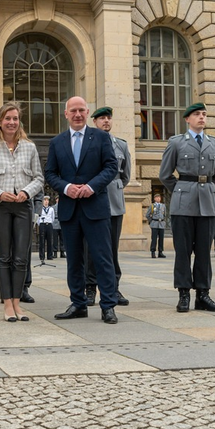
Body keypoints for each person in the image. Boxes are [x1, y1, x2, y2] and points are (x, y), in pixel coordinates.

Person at [45, 96, 118, 324]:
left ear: (87, 113)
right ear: (65, 114)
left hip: (95, 207)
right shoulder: (57, 142)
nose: (77, 115)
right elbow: (50, 173)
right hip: (69, 210)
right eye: (72, 111)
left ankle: (108, 306)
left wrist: (91, 187)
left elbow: (111, 167)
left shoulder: (101, 137)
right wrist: (66, 187)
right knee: (74, 260)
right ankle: (78, 304)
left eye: (81, 110)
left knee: (102, 258)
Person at [0, 102, 43, 322]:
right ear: (0, 121)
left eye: (15, 118)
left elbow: (39, 178)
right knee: (5, 256)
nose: (12, 122)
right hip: (0, 206)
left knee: (21, 257)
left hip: (23, 205)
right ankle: (7, 305)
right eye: (8, 119)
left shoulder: (30, 147)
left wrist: (27, 192)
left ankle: (17, 303)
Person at [159, 102, 215, 313]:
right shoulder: (176, 143)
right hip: (183, 202)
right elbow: (165, 175)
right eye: (197, 114)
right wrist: (180, 190)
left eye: (204, 114)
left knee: (204, 251)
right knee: (183, 251)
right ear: (187, 119)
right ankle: (184, 293)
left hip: (207, 202)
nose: (202, 117)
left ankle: (203, 294)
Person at [84, 106, 132, 307]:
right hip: (93, 200)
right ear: (94, 122)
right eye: (102, 118)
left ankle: (113, 287)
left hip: (114, 201)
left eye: (108, 118)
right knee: (91, 249)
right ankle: (90, 289)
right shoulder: (87, 143)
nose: (106, 121)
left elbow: (126, 175)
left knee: (112, 249)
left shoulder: (120, 145)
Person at [146, 193, 166, 258]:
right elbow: (147, 215)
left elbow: (165, 215)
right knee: (154, 239)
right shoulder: (152, 206)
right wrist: (151, 221)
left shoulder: (163, 206)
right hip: (154, 224)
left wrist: (163, 221)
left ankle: (160, 252)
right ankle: (153, 251)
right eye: (157, 197)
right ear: (154, 199)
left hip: (161, 224)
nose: (158, 198)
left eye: (159, 197)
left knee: (161, 239)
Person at [37, 195, 55, 261]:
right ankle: (42, 256)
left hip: (49, 224)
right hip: (42, 224)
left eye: (47, 200)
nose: (46, 202)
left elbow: (52, 217)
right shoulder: (40, 208)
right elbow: (37, 218)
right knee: (42, 241)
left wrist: (49, 223)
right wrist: (40, 224)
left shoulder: (51, 209)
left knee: (50, 240)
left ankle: (49, 255)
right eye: (45, 200)